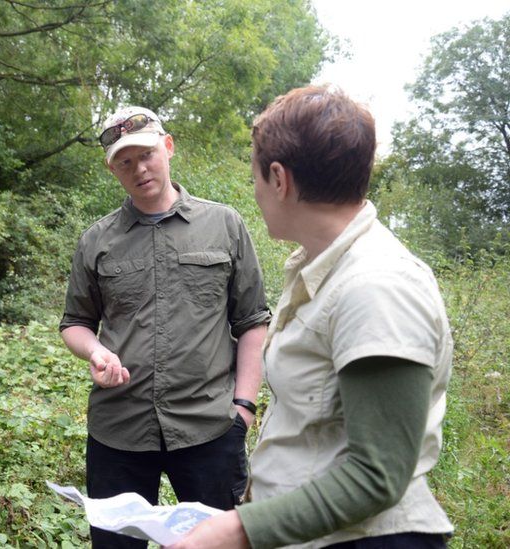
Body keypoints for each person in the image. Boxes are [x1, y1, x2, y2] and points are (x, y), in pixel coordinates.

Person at [167, 85, 454, 549]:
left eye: (256, 176)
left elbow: (377, 475)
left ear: (279, 178)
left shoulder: (377, 286)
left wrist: (237, 529)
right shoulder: (325, 268)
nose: (255, 191)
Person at [59, 106, 272, 548]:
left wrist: (244, 409)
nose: (139, 168)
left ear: (168, 147)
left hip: (210, 426)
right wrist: (96, 351)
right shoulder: (96, 241)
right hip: (119, 430)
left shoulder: (224, 224)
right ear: (112, 168)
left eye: (147, 154)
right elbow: (76, 323)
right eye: (125, 161)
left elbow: (252, 321)